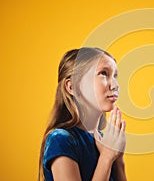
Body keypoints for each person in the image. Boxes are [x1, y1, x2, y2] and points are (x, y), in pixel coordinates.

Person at [38, 47, 127, 181]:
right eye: (103, 73)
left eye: (115, 75)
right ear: (72, 86)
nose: (115, 85)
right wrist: (107, 157)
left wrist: (118, 159)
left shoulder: (105, 141)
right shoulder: (61, 139)